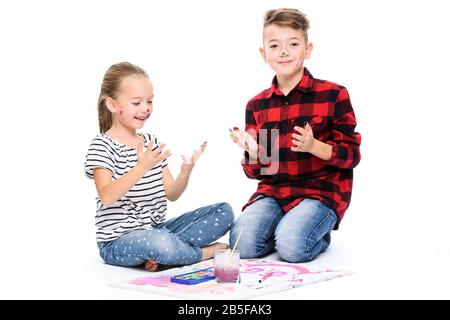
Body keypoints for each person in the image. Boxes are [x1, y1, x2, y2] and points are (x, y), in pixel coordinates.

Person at [229, 8, 361, 262]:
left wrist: (314, 146)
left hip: (320, 192)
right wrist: (255, 153)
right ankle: (286, 226)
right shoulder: (257, 106)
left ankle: (310, 234)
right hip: (275, 192)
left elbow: (352, 155)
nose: (284, 51)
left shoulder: (334, 94)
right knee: (241, 245)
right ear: (263, 54)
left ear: (307, 50)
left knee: (292, 248)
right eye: (274, 45)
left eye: (293, 44)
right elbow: (261, 172)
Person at [85, 62, 233, 271]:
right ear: (112, 105)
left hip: (157, 231)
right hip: (117, 242)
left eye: (149, 101)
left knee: (223, 212)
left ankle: (165, 254)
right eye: (136, 102)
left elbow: (171, 193)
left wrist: (185, 172)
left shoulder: (149, 141)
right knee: (161, 242)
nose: (145, 108)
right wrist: (141, 167)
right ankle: (201, 253)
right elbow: (107, 195)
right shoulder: (101, 145)